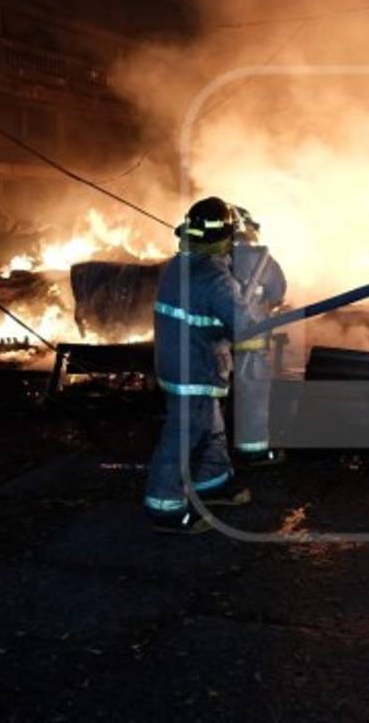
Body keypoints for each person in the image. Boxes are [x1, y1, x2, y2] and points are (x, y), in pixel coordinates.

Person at [144, 196, 260, 534]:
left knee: (211, 426)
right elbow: (244, 327)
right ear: (225, 238)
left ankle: (212, 481)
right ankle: (164, 506)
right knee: (183, 435)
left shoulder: (176, 266)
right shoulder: (216, 278)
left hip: (176, 363)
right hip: (196, 368)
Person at [229, 205, 288, 466]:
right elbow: (278, 293)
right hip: (251, 347)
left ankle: (217, 450)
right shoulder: (264, 261)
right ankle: (253, 452)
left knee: (215, 400)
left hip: (216, 346)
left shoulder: (215, 263)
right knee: (252, 399)